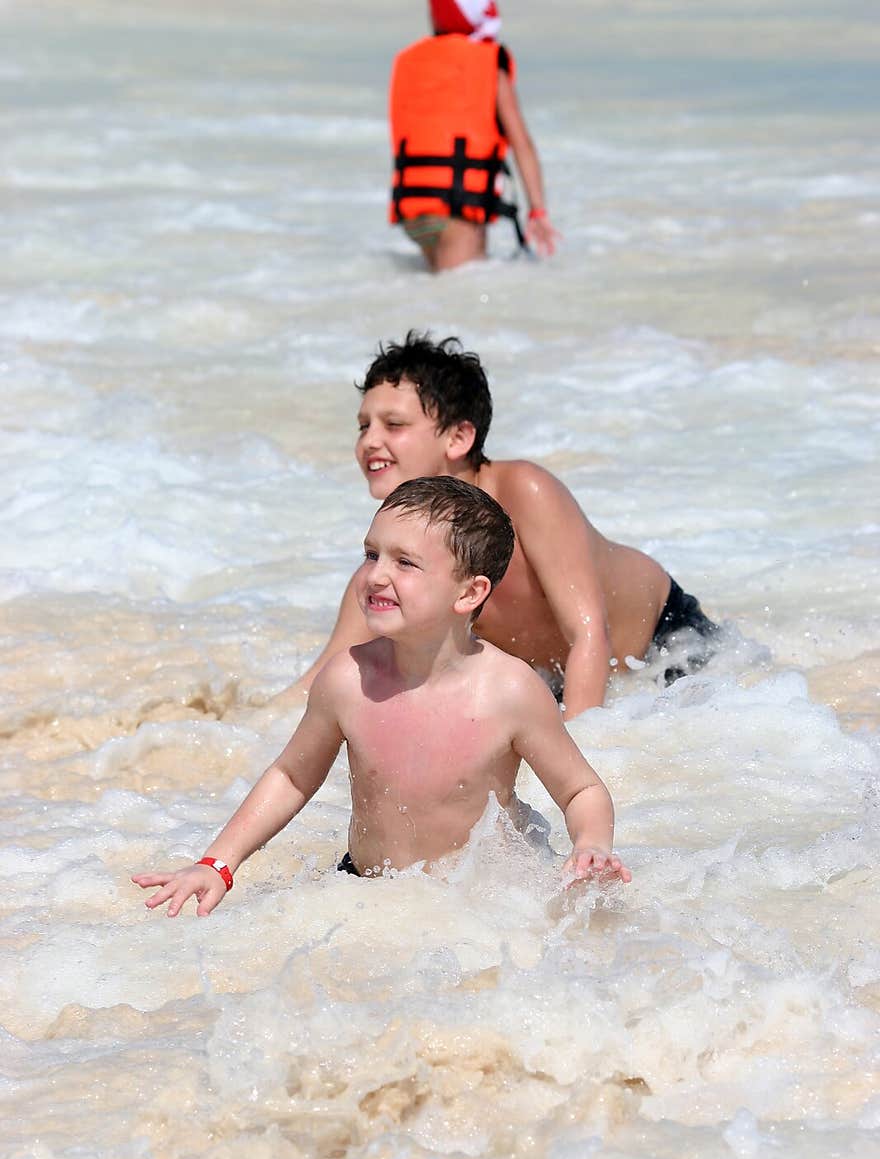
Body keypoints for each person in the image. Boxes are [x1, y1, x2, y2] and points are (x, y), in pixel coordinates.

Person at [132, 478, 630, 916]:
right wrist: (217, 863)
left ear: (468, 593)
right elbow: (290, 776)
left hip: (481, 898)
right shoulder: (348, 679)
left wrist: (591, 844)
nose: (376, 574)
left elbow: (580, 790)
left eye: (405, 562)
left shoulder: (510, 691)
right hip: (369, 886)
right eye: (372, 554)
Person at [281, 332, 720, 720]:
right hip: (553, 680)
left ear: (458, 438)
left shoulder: (524, 492)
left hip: (663, 644)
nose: (369, 440)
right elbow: (321, 680)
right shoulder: (396, 550)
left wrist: (583, 748)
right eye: (363, 426)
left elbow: (589, 633)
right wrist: (234, 729)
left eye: (394, 425)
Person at [389, 0, 559, 270]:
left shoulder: (409, 60)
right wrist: (537, 210)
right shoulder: (487, 61)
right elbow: (521, 143)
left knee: (432, 297)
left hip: (413, 211)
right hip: (456, 211)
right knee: (460, 303)